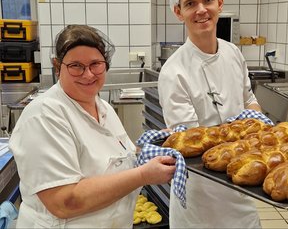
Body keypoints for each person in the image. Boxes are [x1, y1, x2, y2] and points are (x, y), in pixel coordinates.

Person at [9, 25, 177, 228]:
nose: (88, 75)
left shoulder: (102, 107)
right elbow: (64, 201)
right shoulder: (44, 116)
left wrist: (155, 146)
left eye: (95, 64)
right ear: (57, 66)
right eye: (76, 66)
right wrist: (143, 175)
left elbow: (116, 161)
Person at [158, 0, 269, 229]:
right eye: (190, 4)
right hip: (202, 194)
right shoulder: (174, 71)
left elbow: (250, 100)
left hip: (242, 184)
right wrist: (245, 133)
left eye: (207, 0)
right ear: (178, 12)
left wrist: (255, 119)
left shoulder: (232, 53)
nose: (201, 10)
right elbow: (191, 143)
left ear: (220, 3)